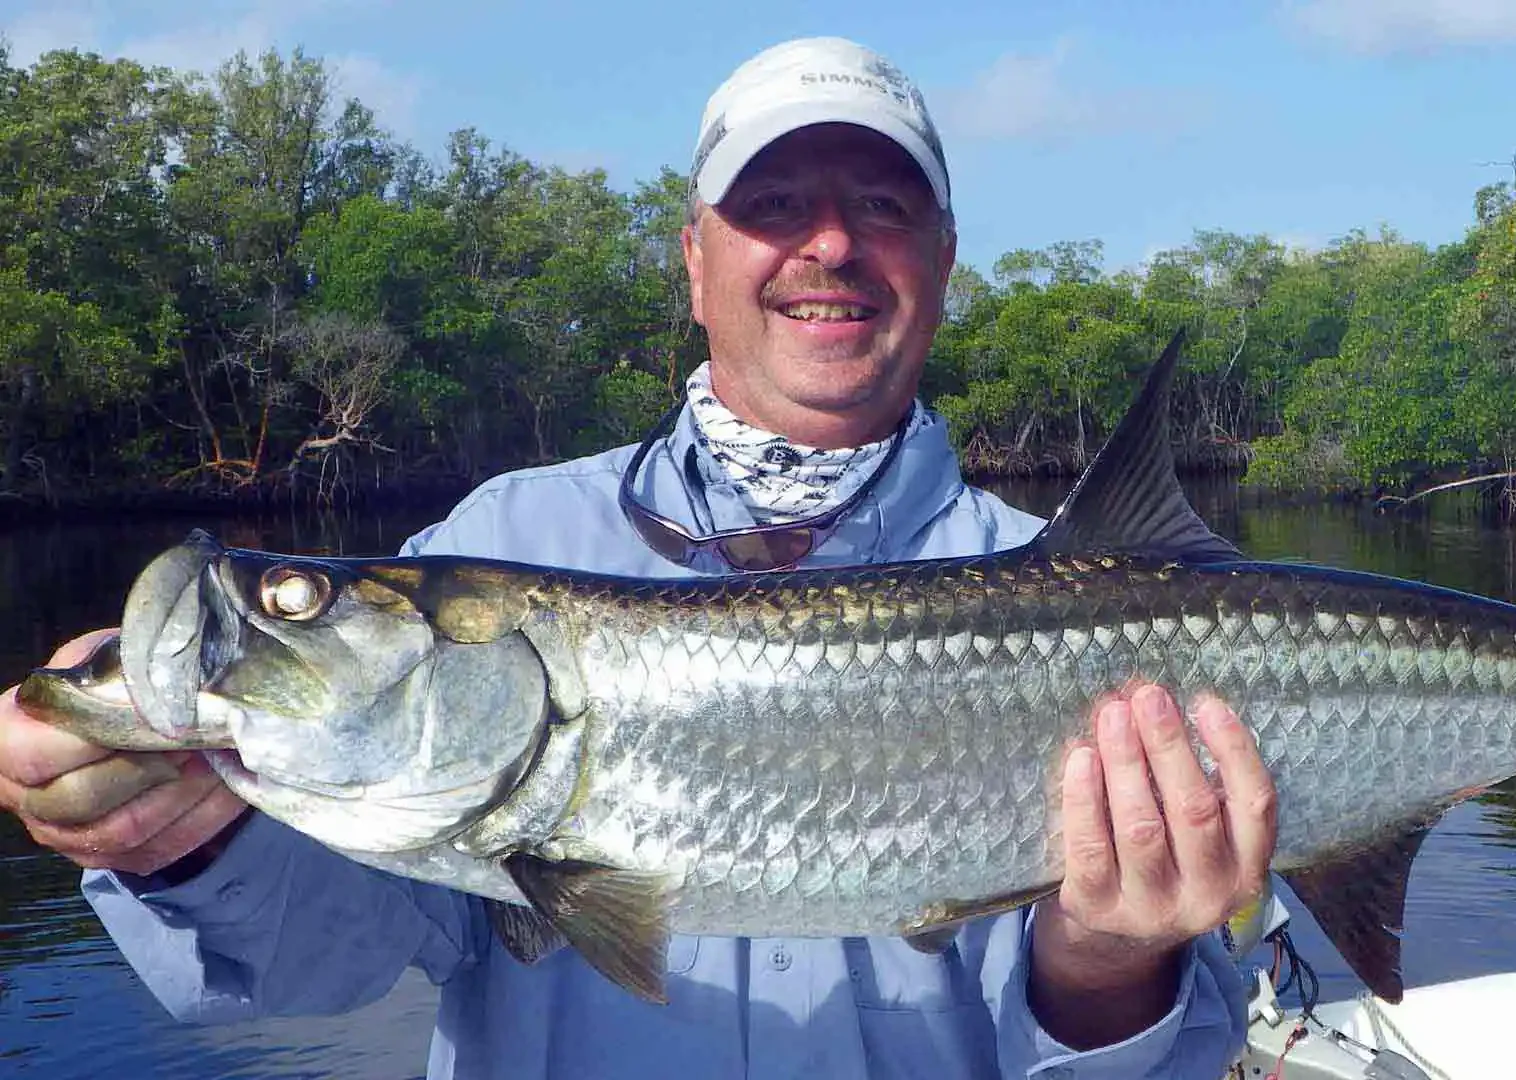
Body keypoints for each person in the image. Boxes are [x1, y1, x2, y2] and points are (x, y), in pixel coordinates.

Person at [0, 37, 1276, 1079]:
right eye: (773, 206)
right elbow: (313, 973)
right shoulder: (501, 543)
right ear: (695, 261)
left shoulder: (1066, 580)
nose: (828, 247)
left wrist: (1112, 969)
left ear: (941, 263)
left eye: (880, 209)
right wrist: (184, 844)